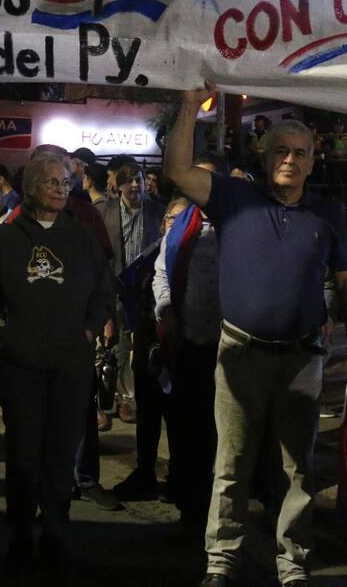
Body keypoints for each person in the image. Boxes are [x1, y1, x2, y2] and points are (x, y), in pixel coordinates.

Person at [164, 83, 347, 587]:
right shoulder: (234, 197)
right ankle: (222, 559)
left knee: (297, 469)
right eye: (281, 150)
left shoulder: (327, 213)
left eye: (300, 154)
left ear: (312, 162)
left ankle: (291, 561)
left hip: (302, 359)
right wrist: (191, 105)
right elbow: (176, 170)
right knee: (230, 463)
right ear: (264, 153)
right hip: (239, 355)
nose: (290, 161)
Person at [0, 152, 116, 569]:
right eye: (53, 182)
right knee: (22, 452)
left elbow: (103, 292)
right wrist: (0, 330)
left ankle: (55, 529)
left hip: (70, 365)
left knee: (60, 452)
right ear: (33, 186)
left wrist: (89, 329)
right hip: (19, 366)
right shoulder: (7, 236)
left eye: (66, 182)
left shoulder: (83, 236)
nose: (61, 188)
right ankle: (19, 531)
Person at [151, 194, 221, 532]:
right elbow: (161, 275)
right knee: (188, 431)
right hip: (188, 344)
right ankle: (192, 511)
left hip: (230, 348)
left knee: (221, 436)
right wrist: (166, 309)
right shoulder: (179, 231)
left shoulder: (235, 227)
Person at [101, 163, 164, 427]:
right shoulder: (104, 212)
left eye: (139, 180)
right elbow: (101, 258)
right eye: (129, 182)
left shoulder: (158, 211)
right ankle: (104, 402)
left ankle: (127, 400)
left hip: (145, 290)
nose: (136, 186)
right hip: (112, 288)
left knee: (135, 347)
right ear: (118, 185)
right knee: (108, 346)